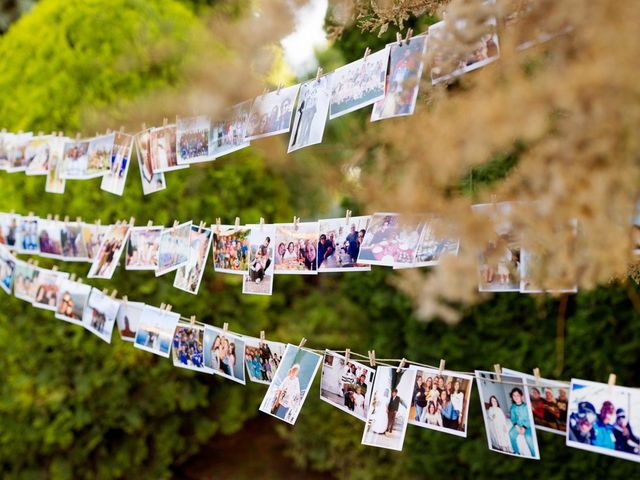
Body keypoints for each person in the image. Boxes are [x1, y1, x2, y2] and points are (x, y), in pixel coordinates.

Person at [509, 387, 536, 456]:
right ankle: (516, 452)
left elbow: (530, 418)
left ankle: (534, 455)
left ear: (521, 396)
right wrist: (516, 426)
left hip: (528, 425)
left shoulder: (527, 406)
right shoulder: (512, 407)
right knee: (511, 433)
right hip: (518, 424)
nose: (516, 397)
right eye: (514, 395)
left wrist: (524, 428)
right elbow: (513, 418)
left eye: (517, 395)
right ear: (512, 397)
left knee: (528, 437)